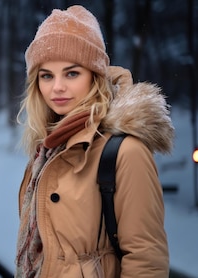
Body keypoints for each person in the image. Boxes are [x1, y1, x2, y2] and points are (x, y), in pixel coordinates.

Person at [15, 5, 172, 277]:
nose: (57, 87)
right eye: (47, 76)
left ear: (94, 75)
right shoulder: (47, 150)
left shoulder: (125, 152)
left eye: (72, 73)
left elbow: (146, 261)